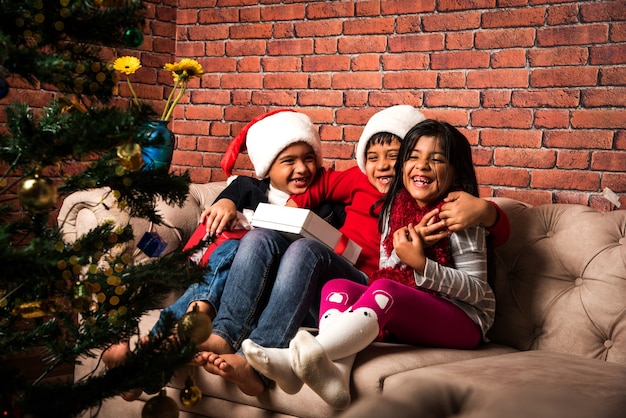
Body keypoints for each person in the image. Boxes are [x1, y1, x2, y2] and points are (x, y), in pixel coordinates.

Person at [196, 106, 508, 398]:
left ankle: (289, 361)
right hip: (386, 299)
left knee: (373, 283)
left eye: (436, 160)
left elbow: (476, 292)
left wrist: (424, 262)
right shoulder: (392, 209)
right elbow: (392, 268)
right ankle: (332, 372)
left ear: (455, 171)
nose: (421, 166)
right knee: (332, 283)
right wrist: (279, 204)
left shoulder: (462, 214)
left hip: (457, 316)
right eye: (413, 157)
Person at [101, 109, 325, 381]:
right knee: (231, 246)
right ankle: (143, 370)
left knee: (246, 243)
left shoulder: (325, 201)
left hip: (276, 291)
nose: (302, 168)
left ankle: (181, 329)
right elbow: (225, 202)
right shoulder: (249, 188)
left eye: (309, 158)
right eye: (289, 161)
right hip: (230, 283)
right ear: (267, 166)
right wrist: (226, 205)